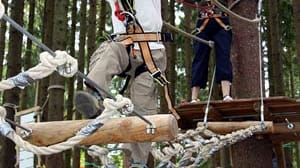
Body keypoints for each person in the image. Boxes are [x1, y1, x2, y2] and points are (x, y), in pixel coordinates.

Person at [74, 0, 172, 167]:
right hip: (123, 46)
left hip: (152, 53)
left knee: (143, 107)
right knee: (108, 53)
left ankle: (137, 161)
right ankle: (94, 96)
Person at [190, 0, 233, 103]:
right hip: (202, 26)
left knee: (224, 57)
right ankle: (194, 98)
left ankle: (226, 94)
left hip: (222, 24)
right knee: (199, 59)